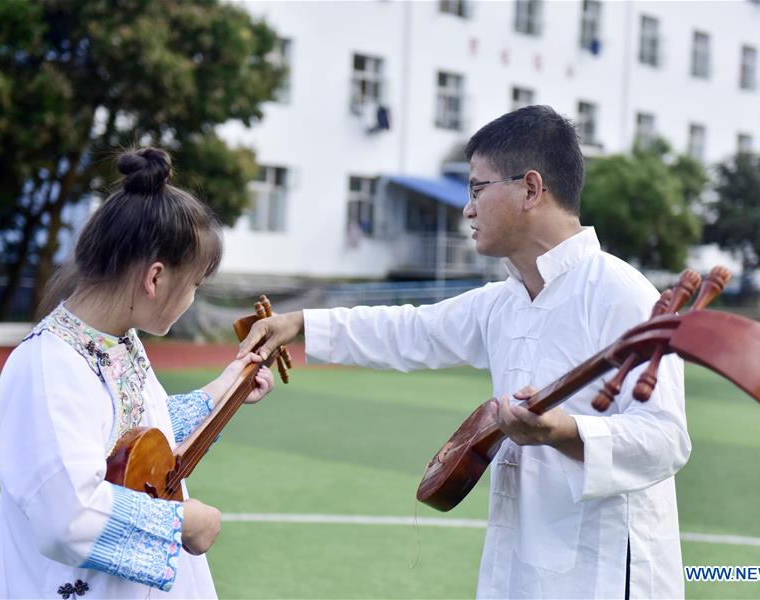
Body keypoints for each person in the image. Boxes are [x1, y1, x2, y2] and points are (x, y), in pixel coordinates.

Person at [238, 105, 691, 598]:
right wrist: (299, 323)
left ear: (531, 189)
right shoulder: (506, 299)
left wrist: (561, 431)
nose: (467, 208)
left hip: (604, 574)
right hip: (521, 567)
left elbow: (665, 440)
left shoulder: (622, 294)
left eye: (477, 189)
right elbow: (410, 330)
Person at [0, 148, 275, 598]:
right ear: (155, 278)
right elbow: (68, 516)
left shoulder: (118, 341)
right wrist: (185, 521)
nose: (192, 298)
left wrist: (225, 388)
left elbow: (135, 446)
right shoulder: (48, 366)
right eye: (194, 285)